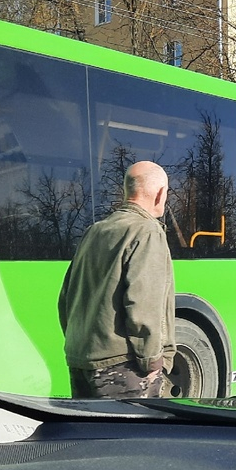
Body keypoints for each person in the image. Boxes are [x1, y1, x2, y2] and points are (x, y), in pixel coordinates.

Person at [58, 161, 176, 398]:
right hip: (123, 367)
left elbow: (65, 299)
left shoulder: (95, 231)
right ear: (160, 194)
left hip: (81, 361)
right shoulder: (147, 231)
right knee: (131, 433)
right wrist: (152, 363)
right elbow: (143, 304)